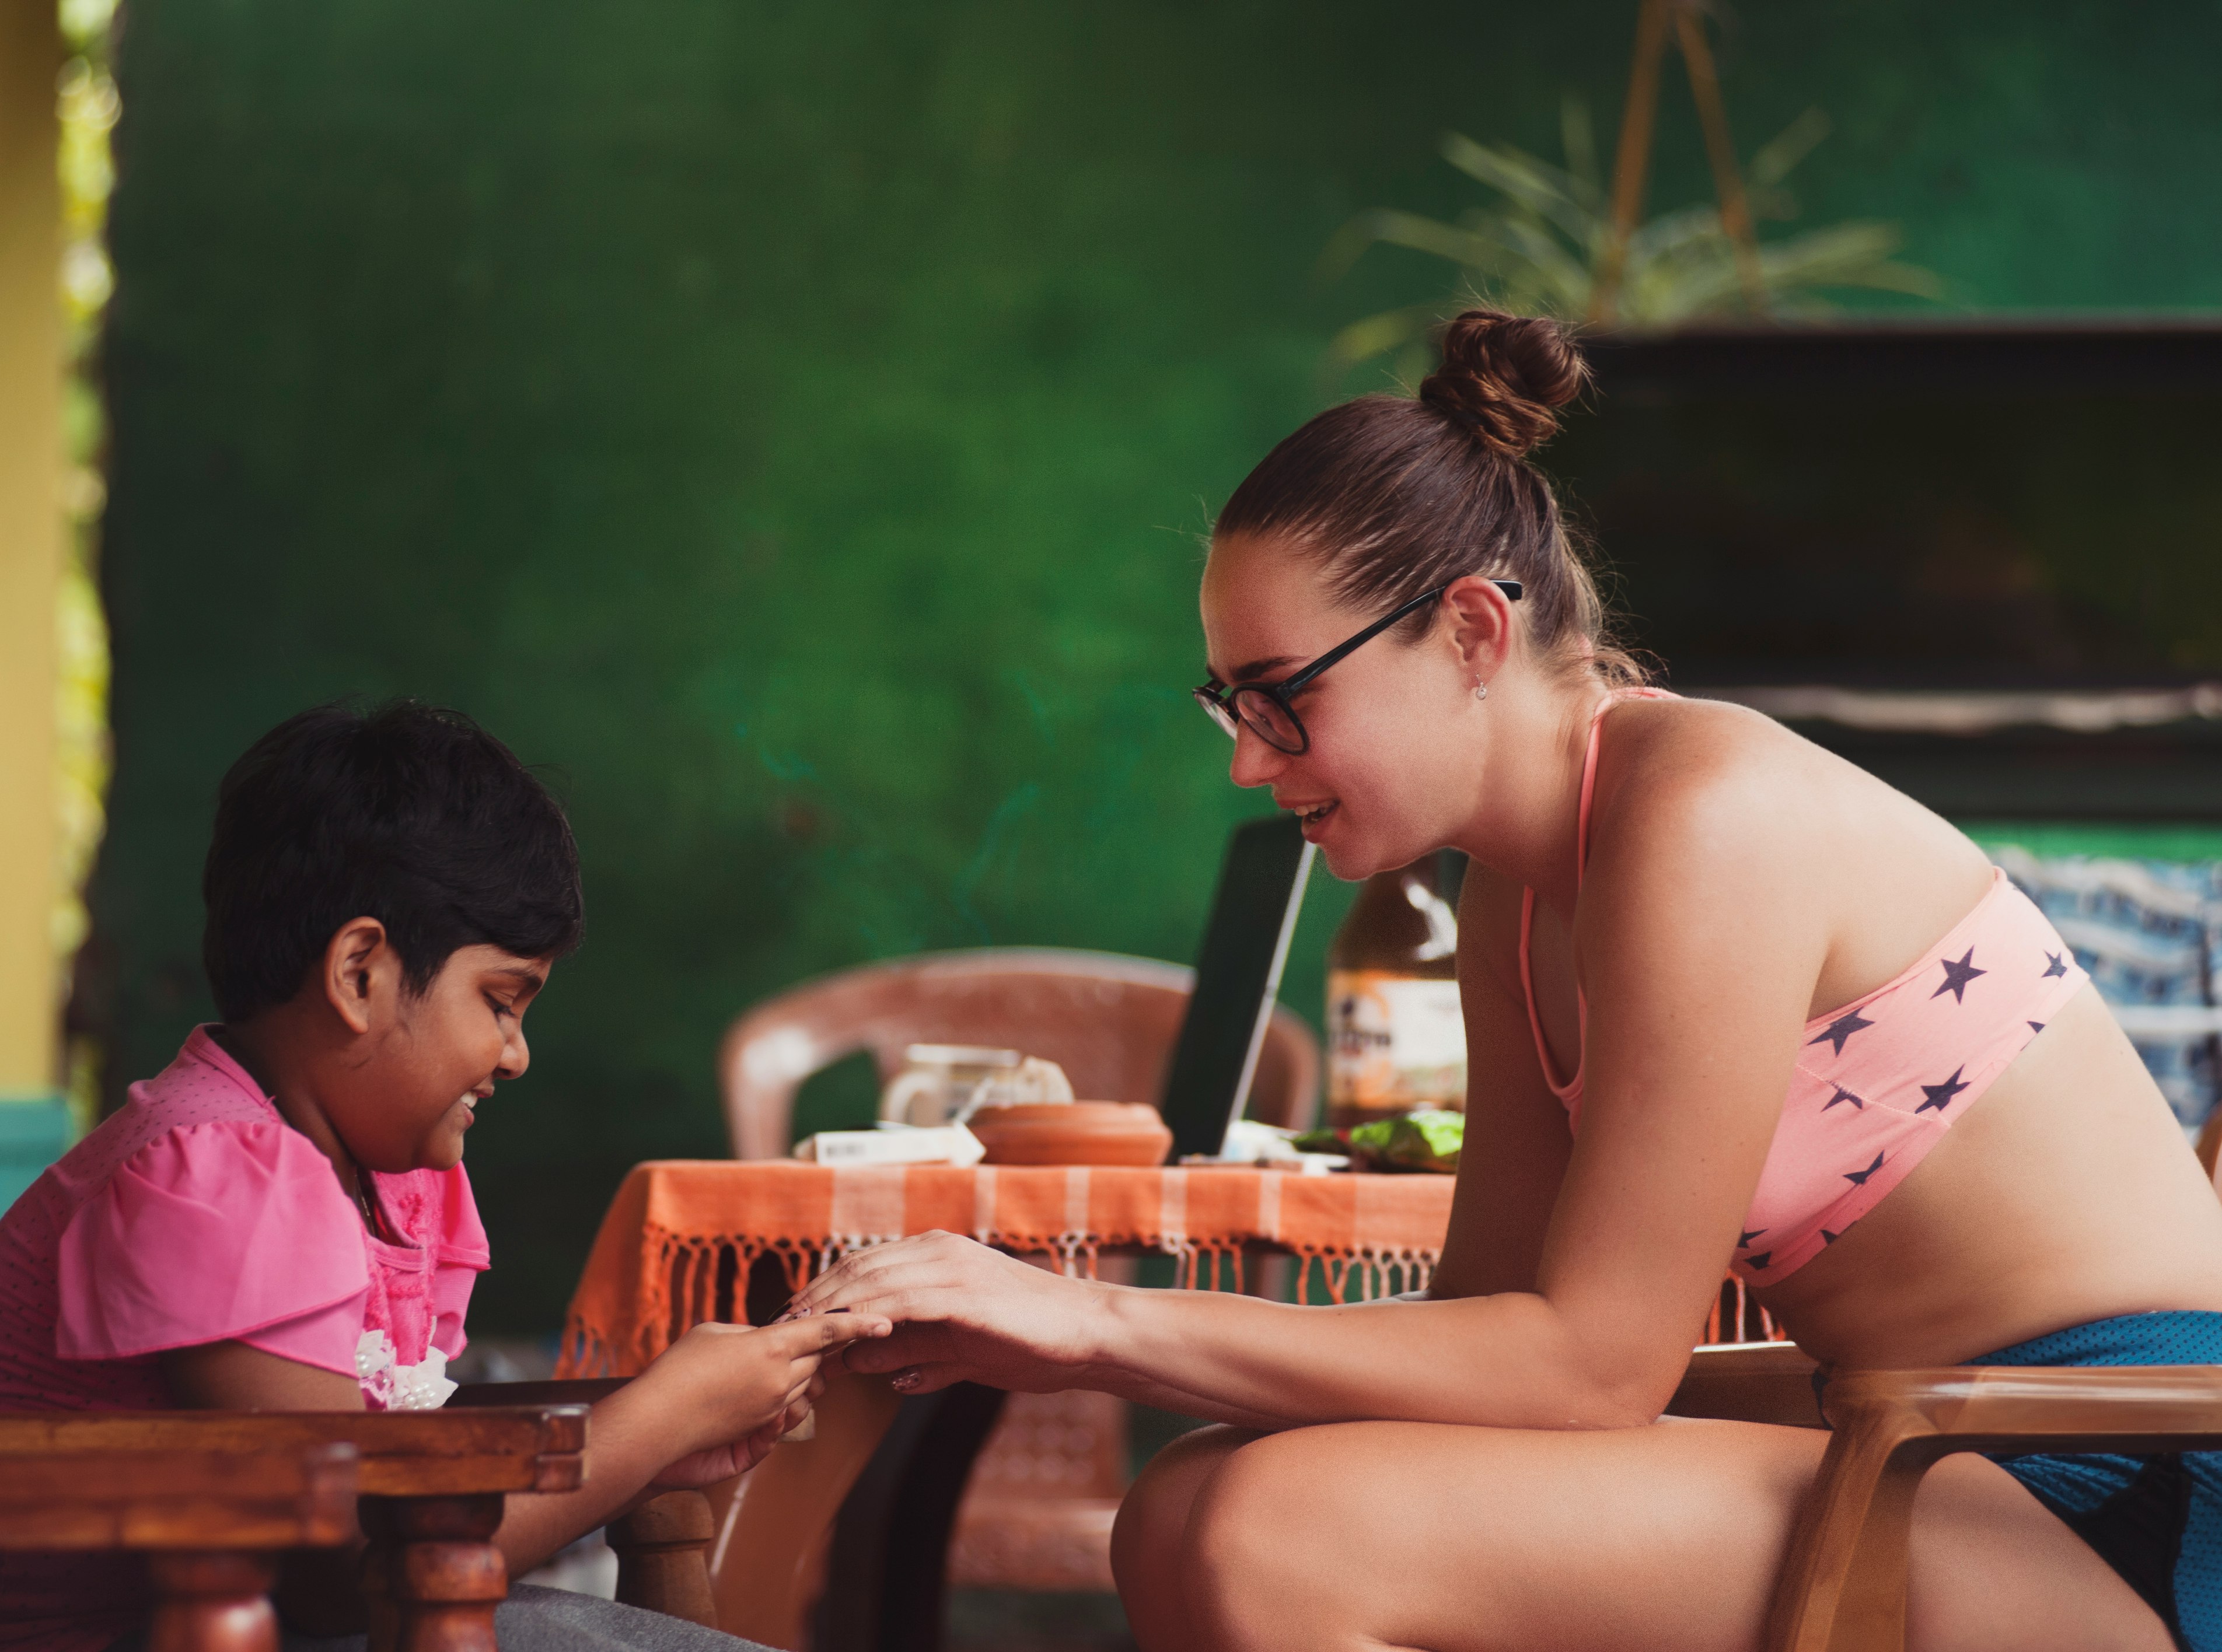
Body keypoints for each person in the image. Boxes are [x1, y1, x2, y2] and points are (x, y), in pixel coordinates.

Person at [784, 312, 2222, 1651]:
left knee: (1272, 1530)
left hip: (2125, 1491)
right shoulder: (1522, 893)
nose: (1245, 756)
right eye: (1228, 705)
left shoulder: (1704, 816)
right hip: (1933, 1447)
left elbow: (1590, 1370)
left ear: (1472, 633)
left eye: (1286, 696)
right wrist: (1082, 1337)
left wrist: (1095, 1323)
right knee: (1185, 1505)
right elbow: (1492, 1321)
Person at [0, 701, 885, 1652]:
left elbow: (401, 1453)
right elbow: (344, 1568)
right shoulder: (215, 1175)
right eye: (503, 1002)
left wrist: (663, 1415)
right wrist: (652, 1424)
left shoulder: (364, 1169)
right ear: (360, 972)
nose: (516, 1055)